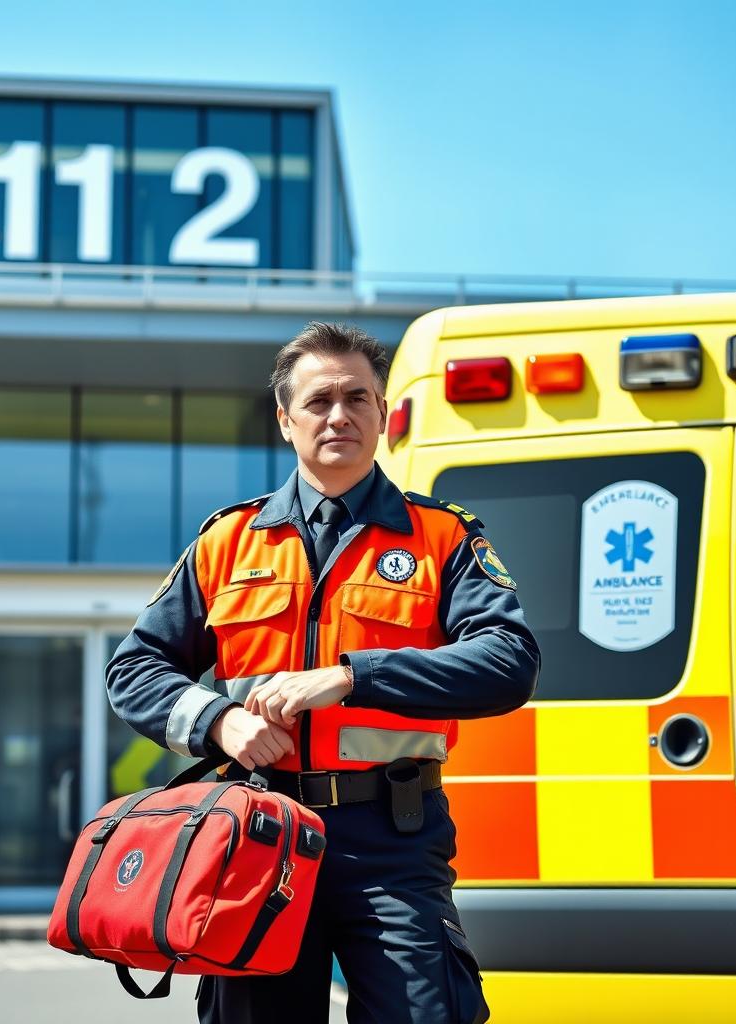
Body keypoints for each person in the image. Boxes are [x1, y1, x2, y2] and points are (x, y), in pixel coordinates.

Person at [106, 321, 540, 1024]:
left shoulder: (444, 538)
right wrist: (222, 721)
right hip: (257, 835)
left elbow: (509, 662)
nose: (339, 415)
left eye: (358, 398)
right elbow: (134, 670)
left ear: (384, 414)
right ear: (285, 418)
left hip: (394, 840)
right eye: (318, 401)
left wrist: (351, 675)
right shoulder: (227, 541)